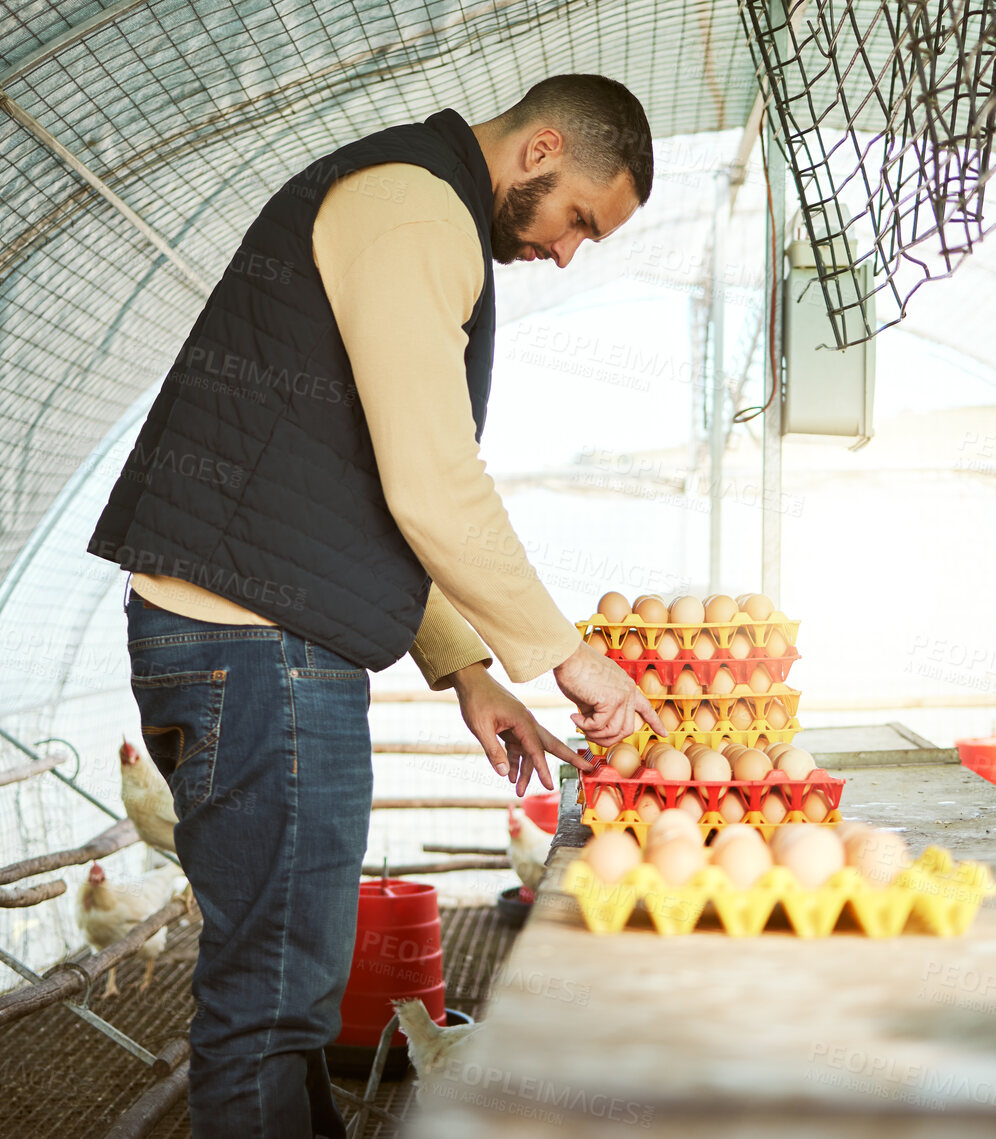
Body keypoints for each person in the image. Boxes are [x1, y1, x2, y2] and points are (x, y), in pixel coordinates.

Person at [85, 74, 665, 1138]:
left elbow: (354, 481)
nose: (569, 250)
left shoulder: (408, 201)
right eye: (581, 217)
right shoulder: (413, 207)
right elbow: (431, 481)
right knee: (272, 995)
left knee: (281, 980)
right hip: (250, 646)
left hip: (238, 632)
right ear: (540, 149)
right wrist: (565, 656)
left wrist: (468, 668)